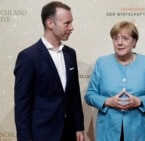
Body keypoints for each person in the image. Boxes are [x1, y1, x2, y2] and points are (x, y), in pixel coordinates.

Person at [14, 1, 84, 141]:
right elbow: (22, 105)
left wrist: (79, 127)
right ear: (50, 24)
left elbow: (74, 94)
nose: (72, 28)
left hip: (69, 132)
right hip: (42, 134)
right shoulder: (28, 57)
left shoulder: (70, 54)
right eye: (67, 23)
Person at [84, 21, 145, 141]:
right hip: (108, 131)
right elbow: (90, 95)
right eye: (116, 38)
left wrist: (139, 101)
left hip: (139, 132)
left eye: (125, 38)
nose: (119, 43)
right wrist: (107, 101)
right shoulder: (102, 63)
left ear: (134, 41)